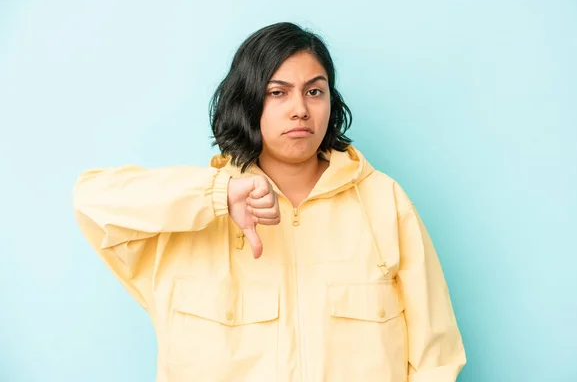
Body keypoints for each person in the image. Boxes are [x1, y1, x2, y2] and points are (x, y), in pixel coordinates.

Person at [72, 22, 466, 382]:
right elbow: (91, 200)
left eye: (315, 91)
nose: (300, 109)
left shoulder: (383, 200)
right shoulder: (193, 212)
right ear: (248, 103)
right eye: (277, 92)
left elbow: (437, 355)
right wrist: (218, 196)